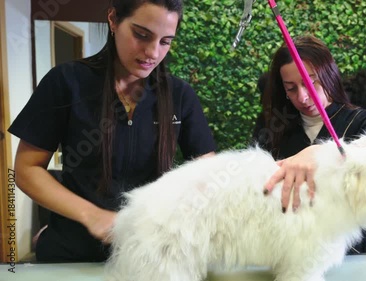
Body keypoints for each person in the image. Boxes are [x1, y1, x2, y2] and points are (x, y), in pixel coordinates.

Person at [9, 0, 216, 262]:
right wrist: (92, 215)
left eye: (165, 41)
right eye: (141, 35)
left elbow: (208, 176)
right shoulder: (67, 82)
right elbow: (27, 170)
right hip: (73, 253)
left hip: (150, 257)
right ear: (113, 19)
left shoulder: (180, 96)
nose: (152, 51)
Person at [253, 35, 366, 254]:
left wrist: (320, 153)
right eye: (291, 89)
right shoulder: (272, 128)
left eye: (310, 82)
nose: (303, 97)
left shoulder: (364, 120)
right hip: (287, 251)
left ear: (330, 75)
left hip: (347, 253)